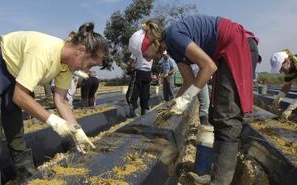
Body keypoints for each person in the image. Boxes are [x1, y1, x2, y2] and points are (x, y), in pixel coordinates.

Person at [0, 22, 108, 184]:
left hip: (14, 73)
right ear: (81, 51)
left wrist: (77, 132)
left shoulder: (67, 65)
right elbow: (20, 96)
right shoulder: (44, 52)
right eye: (91, 64)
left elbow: (60, 100)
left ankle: (27, 177)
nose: (87, 70)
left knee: (15, 128)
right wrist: (54, 121)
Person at [138, 16, 260, 185]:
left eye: (146, 56)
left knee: (227, 119)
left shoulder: (173, 36)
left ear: (152, 43)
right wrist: (176, 103)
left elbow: (208, 67)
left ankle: (219, 182)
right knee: (217, 115)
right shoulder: (173, 48)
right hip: (225, 51)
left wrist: (186, 99)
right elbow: (188, 81)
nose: (148, 60)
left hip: (237, 45)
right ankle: (216, 175)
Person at [126, 23, 156, 117]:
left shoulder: (138, 46)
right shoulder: (152, 47)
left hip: (139, 72)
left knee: (133, 92)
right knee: (145, 92)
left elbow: (131, 61)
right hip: (147, 73)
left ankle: (132, 109)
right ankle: (145, 111)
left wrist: (129, 67)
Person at [272, 49, 297, 120]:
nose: (281, 71)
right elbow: (287, 85)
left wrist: (290, 109)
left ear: (287, 61)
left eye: (281, 68)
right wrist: (278, 99)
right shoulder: (289, 68)